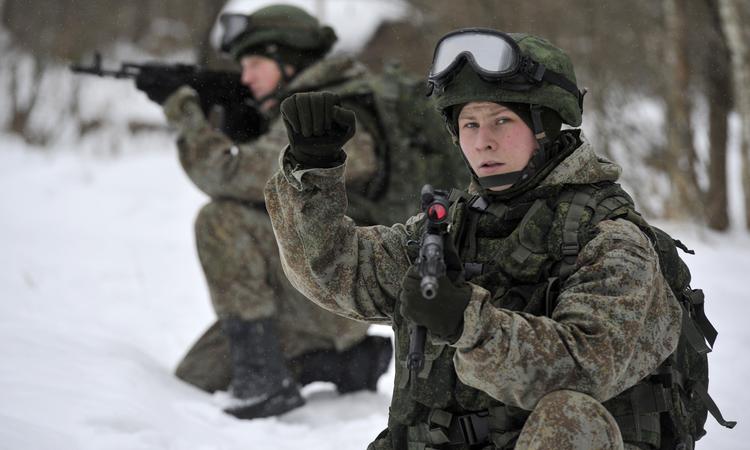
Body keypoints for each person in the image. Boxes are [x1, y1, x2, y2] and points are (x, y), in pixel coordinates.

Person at [265, 28, 684, 449]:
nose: (483, 141)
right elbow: (338, 273)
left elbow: (586, 365)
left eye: (502, 120)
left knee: (571, 418)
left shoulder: (609, 240)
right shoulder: (449, 229)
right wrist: (313, 173)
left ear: (547, 125)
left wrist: (466, 321)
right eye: (469, 124)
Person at [135, 4, 465, 420]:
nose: (246, 77)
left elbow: (229, 175)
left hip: (343, 289)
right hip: (315, 284)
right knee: (196, 376)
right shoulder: (309, 105)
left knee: (220, 218)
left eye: (255, 63)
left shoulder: (336, 116)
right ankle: (340, 359)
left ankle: (265, 382)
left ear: (288, 62)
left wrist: (184, 112)